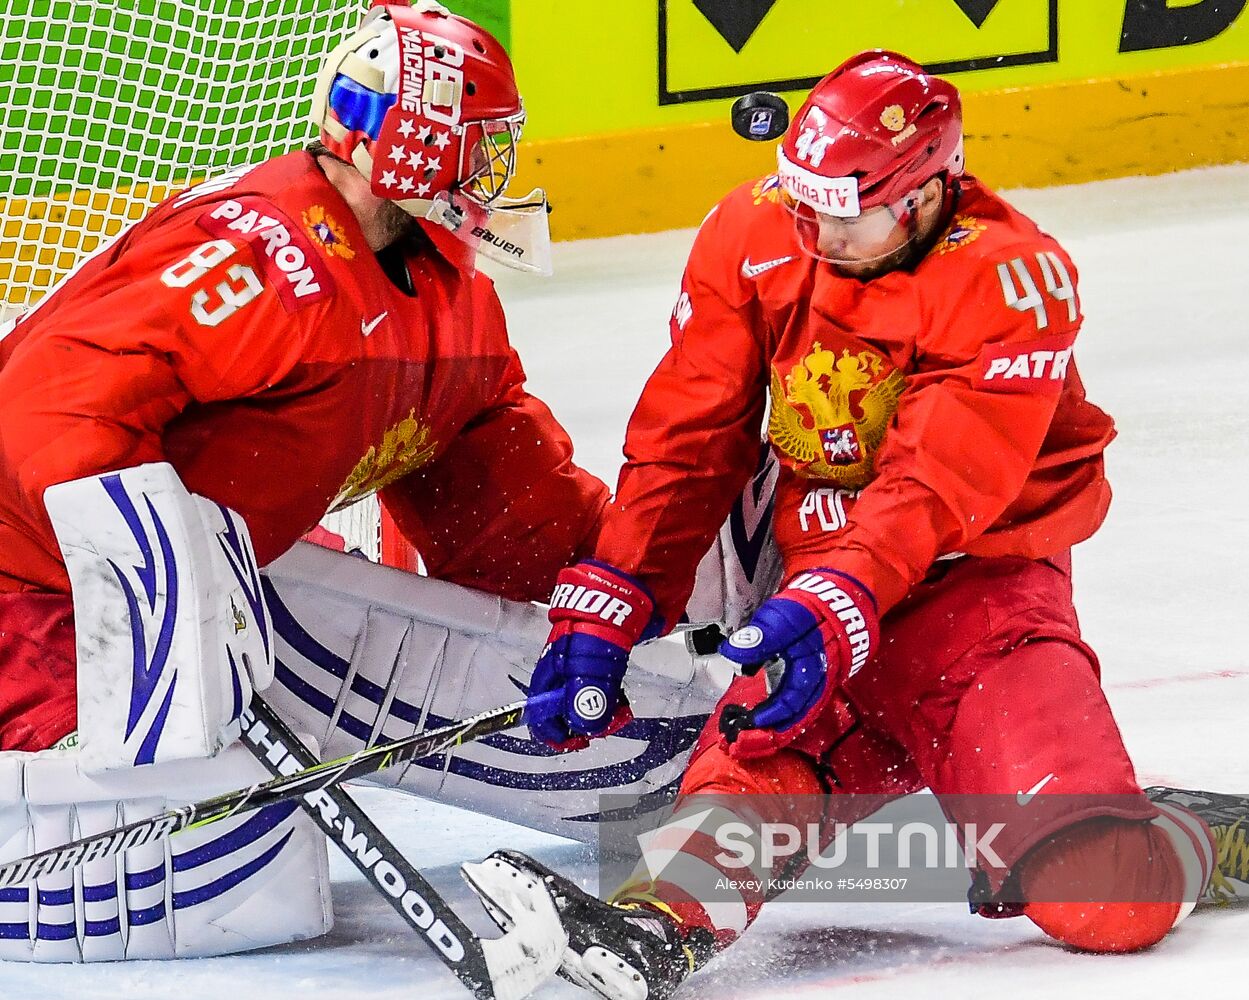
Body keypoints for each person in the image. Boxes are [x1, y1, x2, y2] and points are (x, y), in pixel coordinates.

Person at [469, 51, 1249, 998]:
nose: (818, 230)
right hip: (819, 589)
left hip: (977, 603)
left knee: (1103, 900)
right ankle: (648, 931)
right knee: (746, 784)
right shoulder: (756, 230)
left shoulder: (1013, 277)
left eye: (848, 211)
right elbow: (689, 438)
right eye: (805, 202)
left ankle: (1181, 831)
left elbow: (932, 483)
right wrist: (610, 600)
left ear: (925, 194)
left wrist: (833, 601)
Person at [0, 0, 607, 961]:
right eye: (480, 139)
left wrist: (617, 586)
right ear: (413, 142)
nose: (496, 167)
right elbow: (44, 414)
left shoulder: (439, 281)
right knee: (213, 864)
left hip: (231, 567)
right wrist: (169, 593)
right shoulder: (253, 255)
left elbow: (494, 471)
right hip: (33, 592)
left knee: (256, 842)